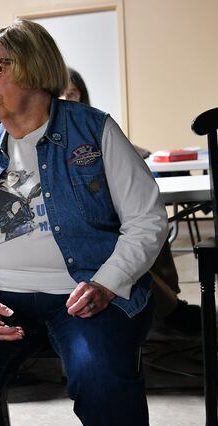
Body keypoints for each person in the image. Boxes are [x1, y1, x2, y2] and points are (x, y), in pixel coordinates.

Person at [0, 19, 168, 426]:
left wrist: (107, 283)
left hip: (86, 292)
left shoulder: (93, 131)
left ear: (33, 67)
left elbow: (147, 220)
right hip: (2, 294)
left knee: (99, 377)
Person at [62, 67, 201, 335]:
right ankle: (171, 307)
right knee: (126, 242)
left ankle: (169, 298)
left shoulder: (94, 128)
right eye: (61, 95)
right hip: (88, 225)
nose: (68, 100)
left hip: (110, 212)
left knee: (147, 225)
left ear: (82, 96)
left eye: (73, 94)